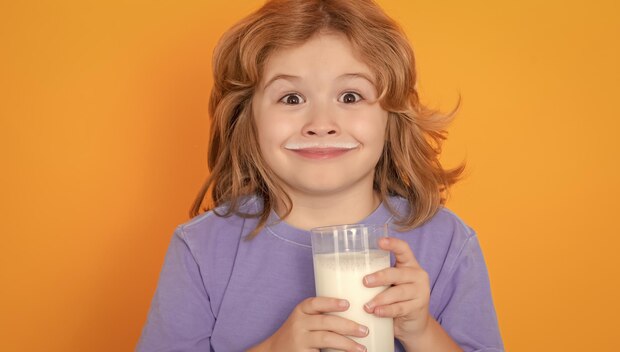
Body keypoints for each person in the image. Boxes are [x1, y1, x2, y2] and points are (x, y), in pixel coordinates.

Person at [137, 0, 504, 351]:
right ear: (246, 119)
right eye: (292, 98)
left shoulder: (445, 243)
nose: (321, 125)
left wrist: (422, 333)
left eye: (350, 96)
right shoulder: (203, 249)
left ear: (392, 116)